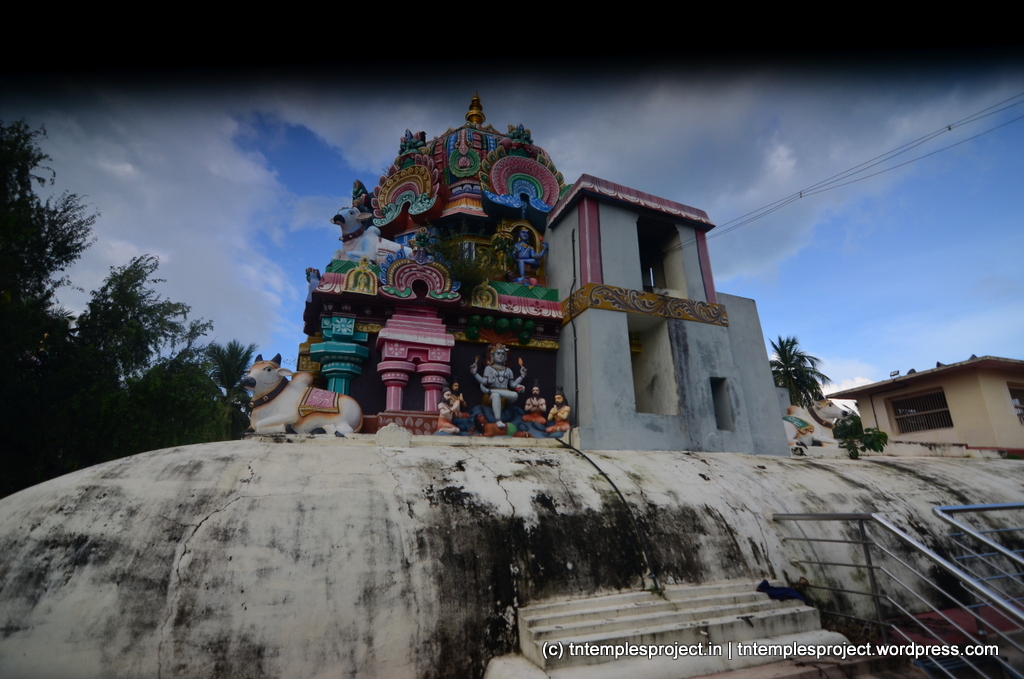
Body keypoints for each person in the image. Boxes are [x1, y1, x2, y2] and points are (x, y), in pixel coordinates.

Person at [470, 343, 526, 429]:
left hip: (505, 395)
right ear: (492, 356)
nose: (500, 355)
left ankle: (489, 391)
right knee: (496, 395)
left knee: (515, 394)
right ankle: (498, 420)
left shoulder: (508, 370)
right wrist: (475, 373)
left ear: (505, 357)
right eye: (498, 353)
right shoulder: (489, 368)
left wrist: (521, 377)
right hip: (490, 397)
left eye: (503, 354)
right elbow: (483, 382)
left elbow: (512, 384)